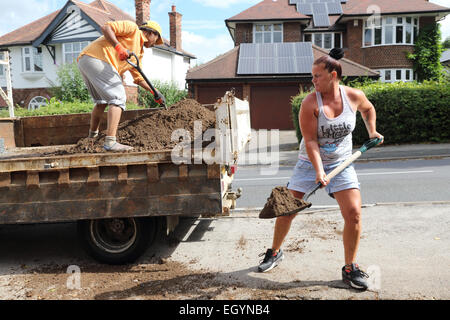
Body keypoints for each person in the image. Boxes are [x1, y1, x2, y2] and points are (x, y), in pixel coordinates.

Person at [258, 48, 384, 290]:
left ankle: (350, 268)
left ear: (333, 75)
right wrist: (318, 171)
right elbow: (311, 141)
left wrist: (372, 131)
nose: (313, 80)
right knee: (287, 211)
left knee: (354, 213)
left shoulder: (354, 96)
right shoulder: (309, 103)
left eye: (317, 76)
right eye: (312, 76)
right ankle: (274, 252)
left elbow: (368, 109)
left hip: (342, 162)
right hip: (309, 164)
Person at [77, 20, 164, 151]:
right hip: (97, 58)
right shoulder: (133, 29)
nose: (155, 43)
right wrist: (119, 47)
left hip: (87, 61)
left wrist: (154, 92)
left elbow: (138, 78)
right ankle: (110, 142)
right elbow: (106, 27)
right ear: (150, 33)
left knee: (101, 101)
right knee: (118, 97)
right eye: (156, 39)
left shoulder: (138, 54)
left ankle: (91, 138)